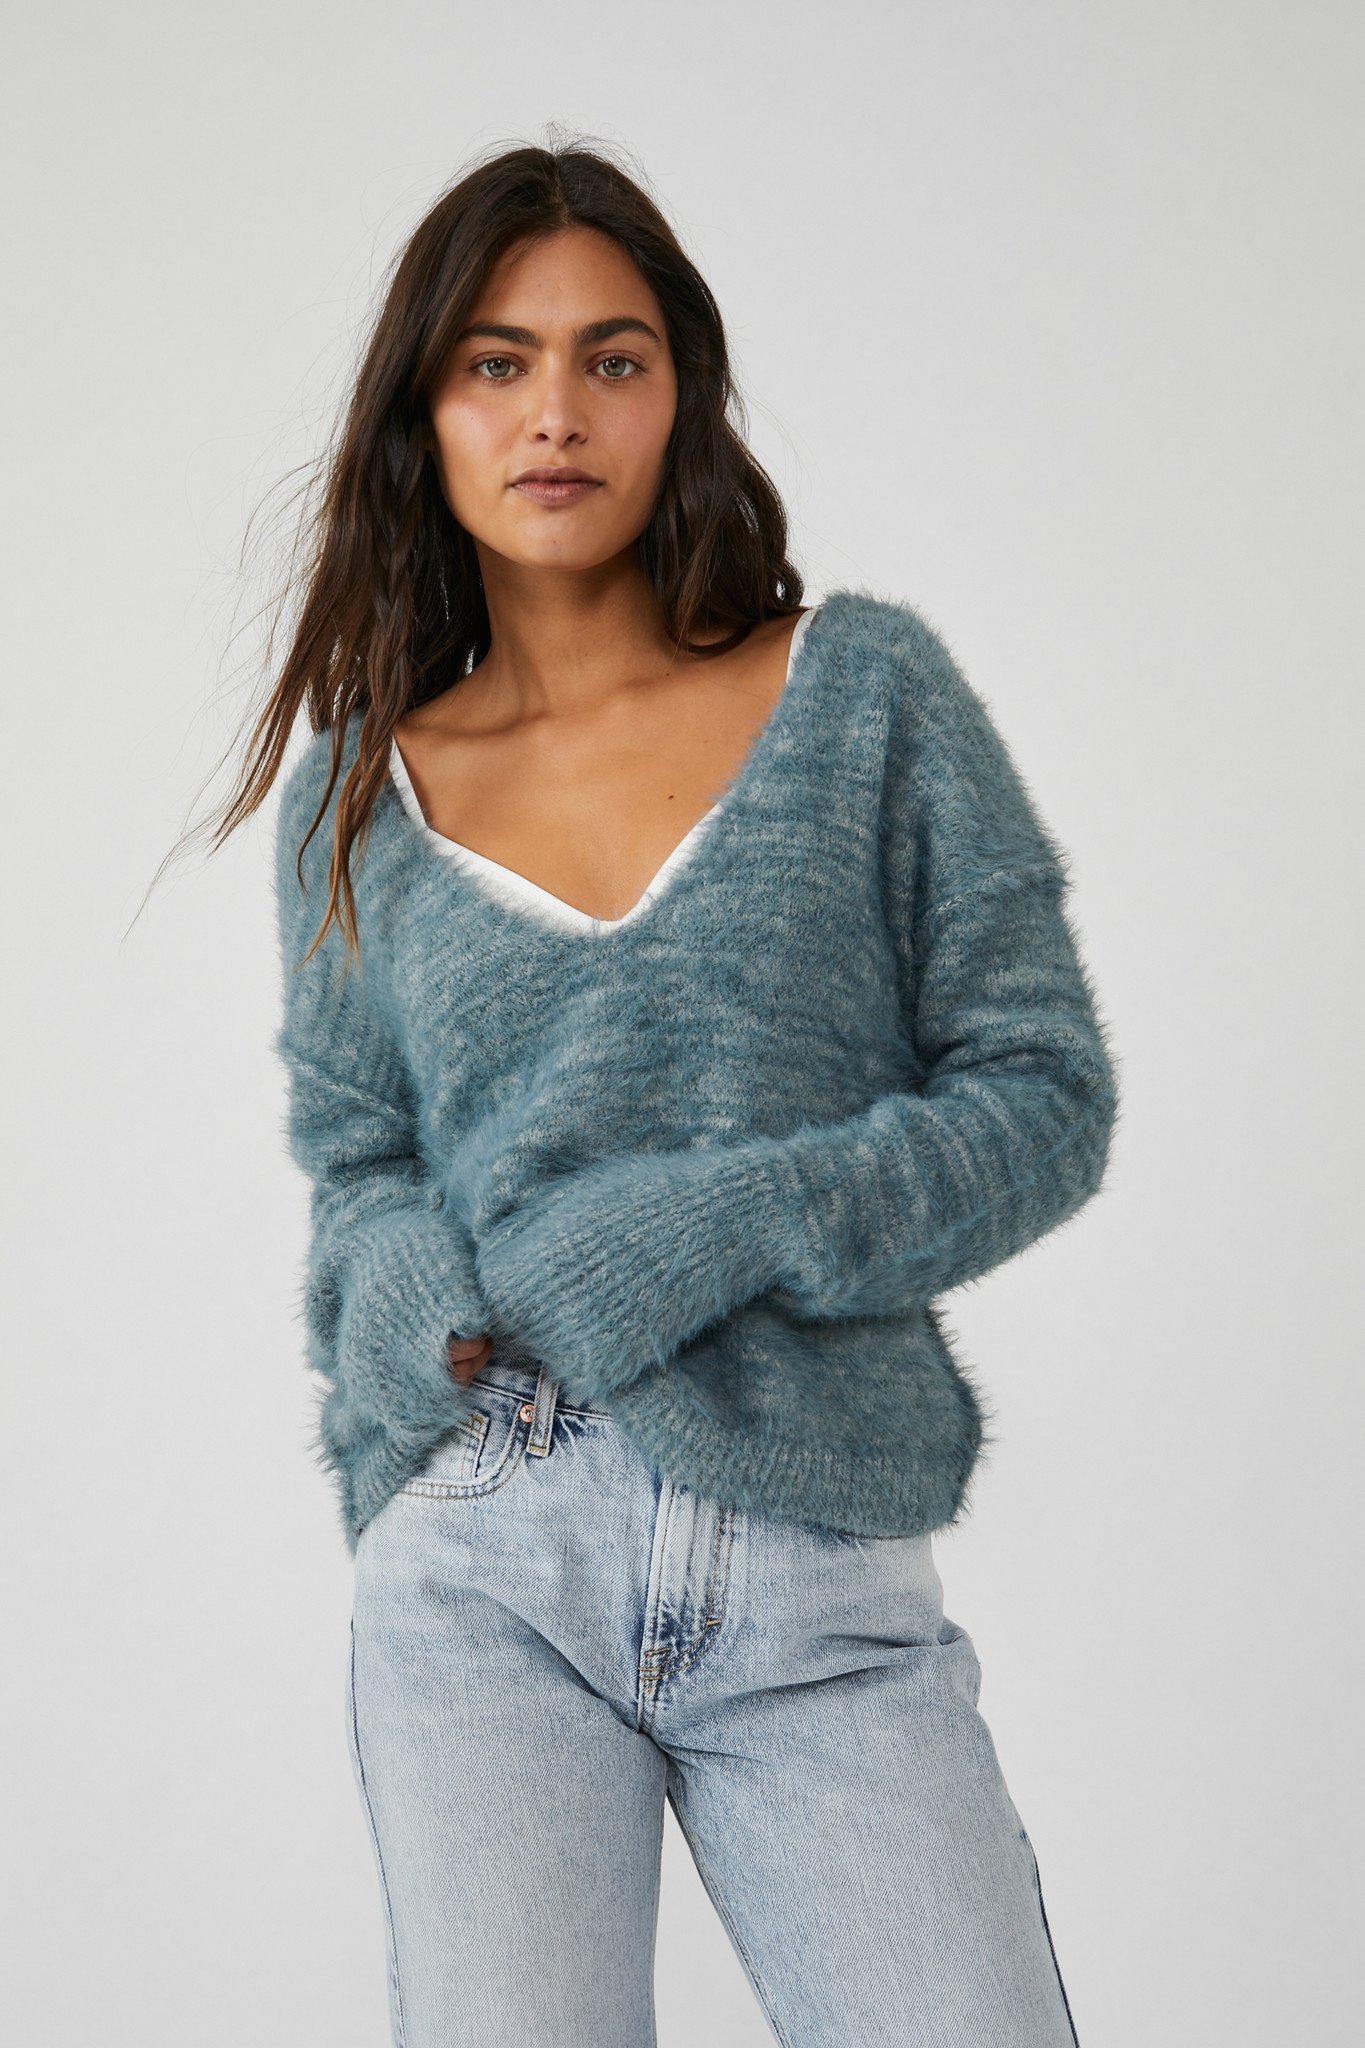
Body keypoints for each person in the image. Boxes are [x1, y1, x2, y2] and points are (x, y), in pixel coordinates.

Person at [223, 141, 1115, 2048]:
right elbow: (359, 1165)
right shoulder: (357, 800)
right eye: (496, 362)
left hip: (817, 1564)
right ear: (425, 413)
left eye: (609, 359)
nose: (555, 411)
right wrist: (405, 1296)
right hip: (483, 1552)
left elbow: (1043, 1092)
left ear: (679, 395)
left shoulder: (862, 695)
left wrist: (731, 1218)